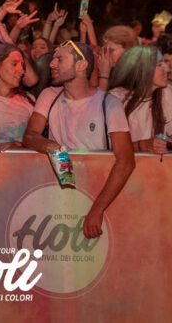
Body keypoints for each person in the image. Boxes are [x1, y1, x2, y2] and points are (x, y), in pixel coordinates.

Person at [23, 41, 135, 239]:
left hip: (98, 196)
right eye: (53, 59)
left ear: (81, 65)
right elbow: (30, 135)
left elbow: (126, 161)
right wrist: (54, 148)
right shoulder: (49, 96)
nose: (52, 64)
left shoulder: (109, 103)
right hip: (60, 197)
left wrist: (97, 210)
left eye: (59, 59)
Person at [109, 46, 172, 154]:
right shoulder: (116, 98)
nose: (167, 69)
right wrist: (142, 145)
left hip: (156, 163)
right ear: (143, 69)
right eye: (159, 64)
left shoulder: (166, 93)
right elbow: (110, 147)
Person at [97, 25, 139, 91]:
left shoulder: (133, 76)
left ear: (129, 52)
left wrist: (104, 75)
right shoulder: (113, 70)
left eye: (111, 50)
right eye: (105, 50)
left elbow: (102, 97)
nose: (106, 54)